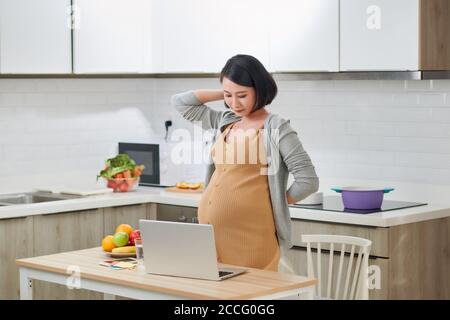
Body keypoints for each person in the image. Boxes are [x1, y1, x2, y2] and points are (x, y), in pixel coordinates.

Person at [171, 54, 319, 271]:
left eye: (242, 95)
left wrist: (275, 201)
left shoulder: (276, 127)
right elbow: (181, 103)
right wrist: (225, 91)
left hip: (251, 237)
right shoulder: (226, 120)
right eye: (228, 95)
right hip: (210, 234)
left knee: (249, 298)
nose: (234, 103)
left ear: (259, 90)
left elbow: (308, 180)